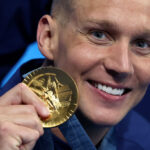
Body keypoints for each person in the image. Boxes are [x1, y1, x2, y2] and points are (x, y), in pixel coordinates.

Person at [0, 0, 150, 149]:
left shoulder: (143, 138)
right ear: (49, 37)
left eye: (142, 44)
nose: (122, 66)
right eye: (99, 35)